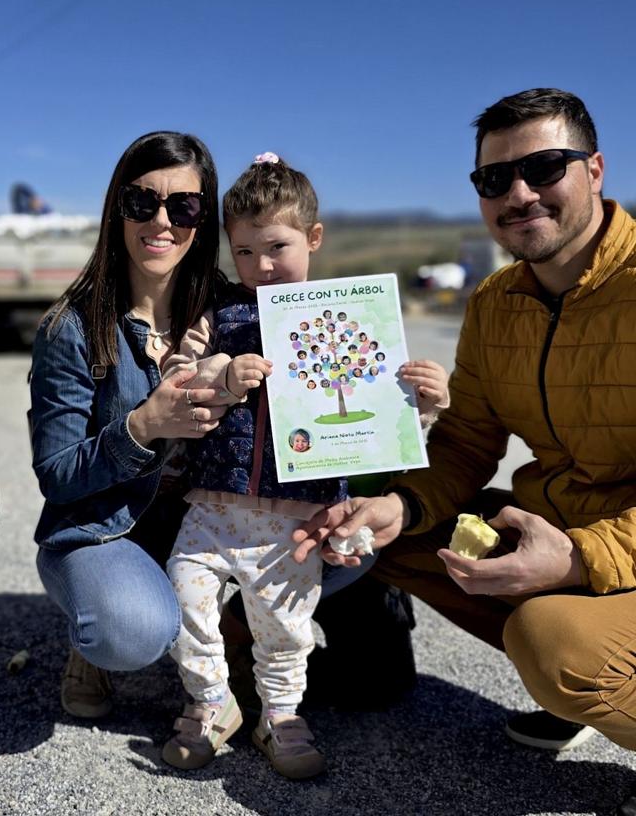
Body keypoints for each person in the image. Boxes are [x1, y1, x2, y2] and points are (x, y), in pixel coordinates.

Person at [295, 88, 636, 816]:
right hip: (570, 534)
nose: (518, 194)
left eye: (544, 168)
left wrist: (579, 559)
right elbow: (467, 442)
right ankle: (592, 682)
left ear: (595, 170)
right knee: (392, 537)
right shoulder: (494, 302)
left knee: (556, 647)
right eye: (494, 178)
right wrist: (399, 505)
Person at [158, 154, 448, 778]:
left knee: (284, 628)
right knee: (182, 602)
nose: (261, 266)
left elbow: (381, 425)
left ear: (313, 238)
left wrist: (422, 405)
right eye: (243, 251)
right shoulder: (220, 315)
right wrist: (220, 375)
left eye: (277, 247)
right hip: (213, 507)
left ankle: (281, 715)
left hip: (294, 520)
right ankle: (210, 702)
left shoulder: (345, 316)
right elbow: (175, 376)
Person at [29, 131, 224, 719]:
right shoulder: (71, 327)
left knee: (345, 549)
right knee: (131, 630)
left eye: (184, 206)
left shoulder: (235, 311)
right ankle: (96, 634)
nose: (161, 221)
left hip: (209, 528)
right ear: (117, 210)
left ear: (203, 219)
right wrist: (141, 426)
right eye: (142, 202)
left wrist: (408, 400)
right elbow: (57, 474)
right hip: (106, 530)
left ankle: (230, 640)